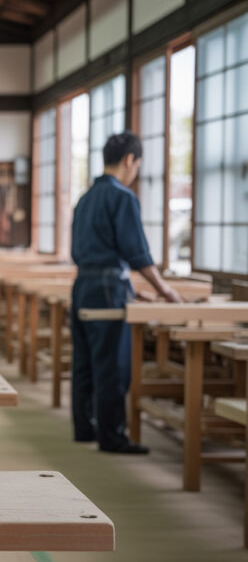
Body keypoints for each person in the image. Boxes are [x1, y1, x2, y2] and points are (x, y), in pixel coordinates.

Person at [70, 131, 182, 455]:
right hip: (108, 292)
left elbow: (92, 252)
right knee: (112, 365)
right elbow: (137, 254)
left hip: (83, 286)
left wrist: (132, 289)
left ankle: (84, 428)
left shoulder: (86, 198)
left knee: (85, 362)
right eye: (138, 165)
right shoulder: (122, 197)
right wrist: (165, 289)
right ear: (130, 160)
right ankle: (112, 436)